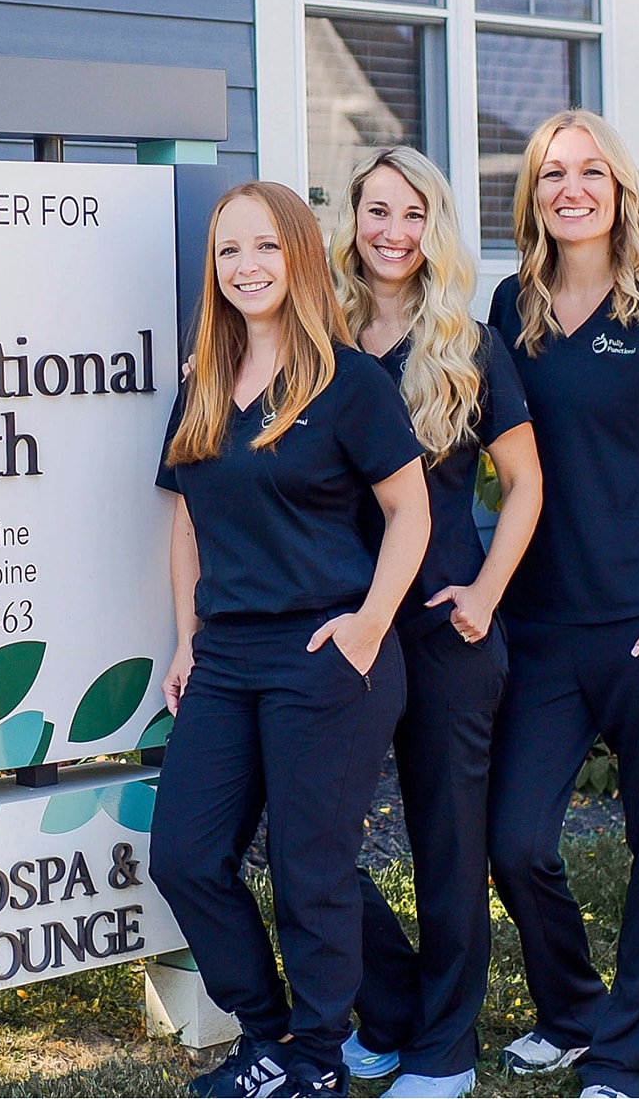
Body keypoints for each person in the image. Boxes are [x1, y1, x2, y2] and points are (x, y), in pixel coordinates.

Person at [150, 180, 432, 1099]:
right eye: (229, 250)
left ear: (301, 255)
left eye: (266, 246)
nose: (246, 266)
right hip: (227, 654)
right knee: (186, 855)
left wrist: (369, 623)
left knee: (311, 865)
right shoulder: (201, 381)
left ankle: (317, 1059)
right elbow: (186, 519)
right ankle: (269, 1032)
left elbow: (409, 511)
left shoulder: (349, 382)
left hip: (328, 649)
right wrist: (185, 638)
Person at [483, 110, 639, 1099]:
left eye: (591, 171)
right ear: (534, 195)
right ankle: (575, 1008)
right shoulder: (512, 308)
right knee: (517, 838)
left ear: (621, 188)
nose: (571, 187)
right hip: (543, 626)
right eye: (553, 174)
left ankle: (625, 1051)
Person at [326, 148, 543, 1099]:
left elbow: (525, 484)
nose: (393, 232)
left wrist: (488, 595)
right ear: (354, 221)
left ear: (436, 227)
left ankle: (445, 1048)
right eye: (378, 211)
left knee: (446, 840)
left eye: (414, 214)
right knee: (309, 831)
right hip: (340, 621)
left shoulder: (467, 344)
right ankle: (397, 1004)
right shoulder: (317, 338)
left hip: (443, 620)